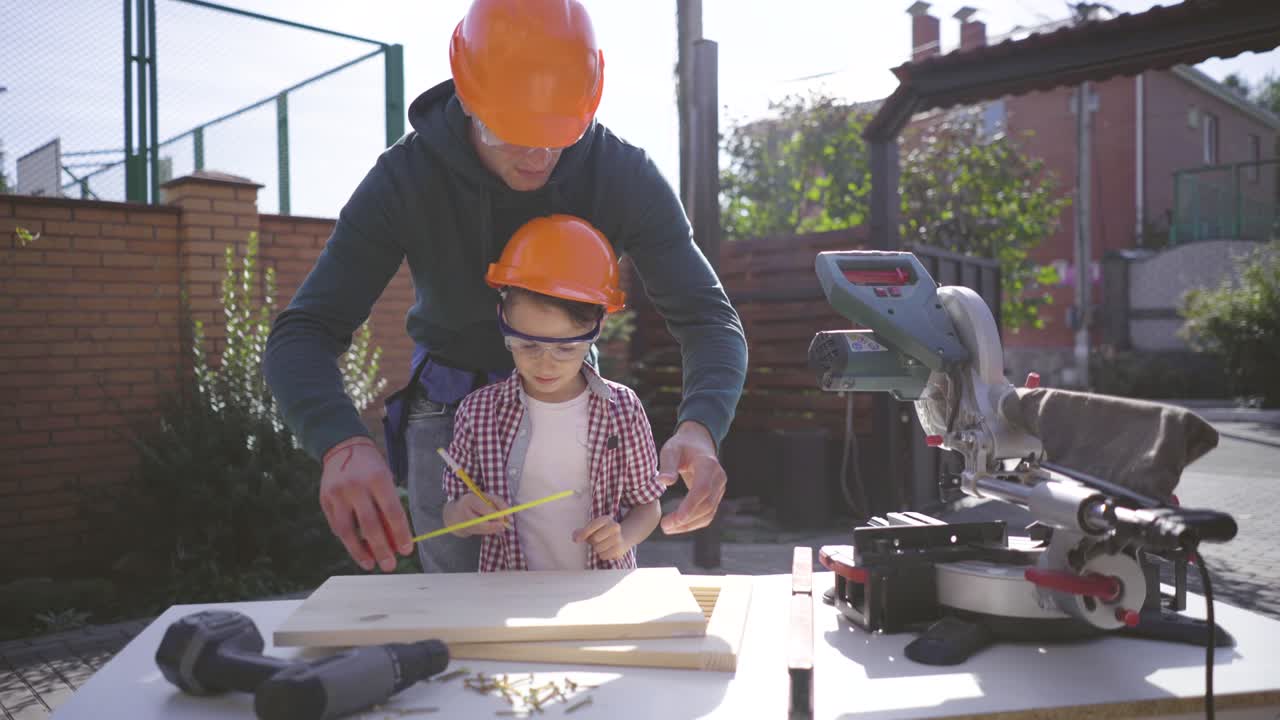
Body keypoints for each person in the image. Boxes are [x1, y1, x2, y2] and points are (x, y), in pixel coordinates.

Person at [262, 0, 747, 575]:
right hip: (450, 416)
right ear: (466, 95)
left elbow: (709, 321)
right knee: (465, 620)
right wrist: (340, 441)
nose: (539, 156)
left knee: (581, 594)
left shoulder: (622, 175)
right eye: (514, 133)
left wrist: (701, 423)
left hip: (574, 404)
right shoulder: (406, 179)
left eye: (561, 132)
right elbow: (303, 333)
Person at [441, 214, 664, 571]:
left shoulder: (622, 409)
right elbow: (453, 510)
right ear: (503, 319)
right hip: (509, 596)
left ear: (597, 327)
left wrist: (624, 537)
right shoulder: (479, 412)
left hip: (600, 596)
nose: (545, 364)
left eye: (565, 349)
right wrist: (464, 512)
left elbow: (648, 506)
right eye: (527, 345)